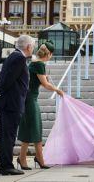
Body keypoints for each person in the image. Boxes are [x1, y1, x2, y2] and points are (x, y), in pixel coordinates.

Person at [0, 35, 34, 176]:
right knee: (8, 136)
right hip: (11, 103)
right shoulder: (20, 58)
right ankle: (7, 166)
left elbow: (2, 75)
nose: (33, 48)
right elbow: (9, 78)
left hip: (6, 102)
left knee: (5, 136)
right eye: (32, 46)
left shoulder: (12, 56)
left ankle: (5, 165)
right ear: (28, 47)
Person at [17, 41, 64, 170]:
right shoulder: (40, 65)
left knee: (29, 128)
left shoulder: (33, 63)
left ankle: (24, 158)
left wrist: (44, 78)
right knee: (36, 128)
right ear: (48, 54)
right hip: (30, 99)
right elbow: (45, 84)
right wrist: (58, 90)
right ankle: (38, 159)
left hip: (27, 98)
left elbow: (36, 79)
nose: (51, 57)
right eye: (52, 54)